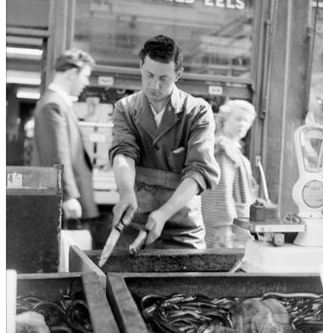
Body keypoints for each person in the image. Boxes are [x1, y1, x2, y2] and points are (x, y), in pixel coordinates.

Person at [109, 35, 220, 249]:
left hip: (182, 228)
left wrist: (163, 213)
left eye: (163, 78)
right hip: (133, 222)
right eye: (149, 75)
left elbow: (199, 171)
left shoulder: (197, 111)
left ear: (178, 74)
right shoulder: (125, 108)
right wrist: (126, 192)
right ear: (141, 66)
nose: (154, 85)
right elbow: (123, 154)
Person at [32, 49, 99, 223]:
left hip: (67, 199)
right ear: (71, 74)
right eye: (85, 76)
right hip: (64, 202)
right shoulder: (53, 105)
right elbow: (57, 154)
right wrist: (67, 196)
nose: (86, 82)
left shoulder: (57, 103)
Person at [202, 100, 258, 248]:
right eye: (238, 119)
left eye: (247, 121)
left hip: (237, 222)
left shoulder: (232, 148)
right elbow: (220, 190)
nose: (242, 124)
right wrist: (224, 226)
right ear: (224, 120)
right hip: (226, 227)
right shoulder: (222, 149)